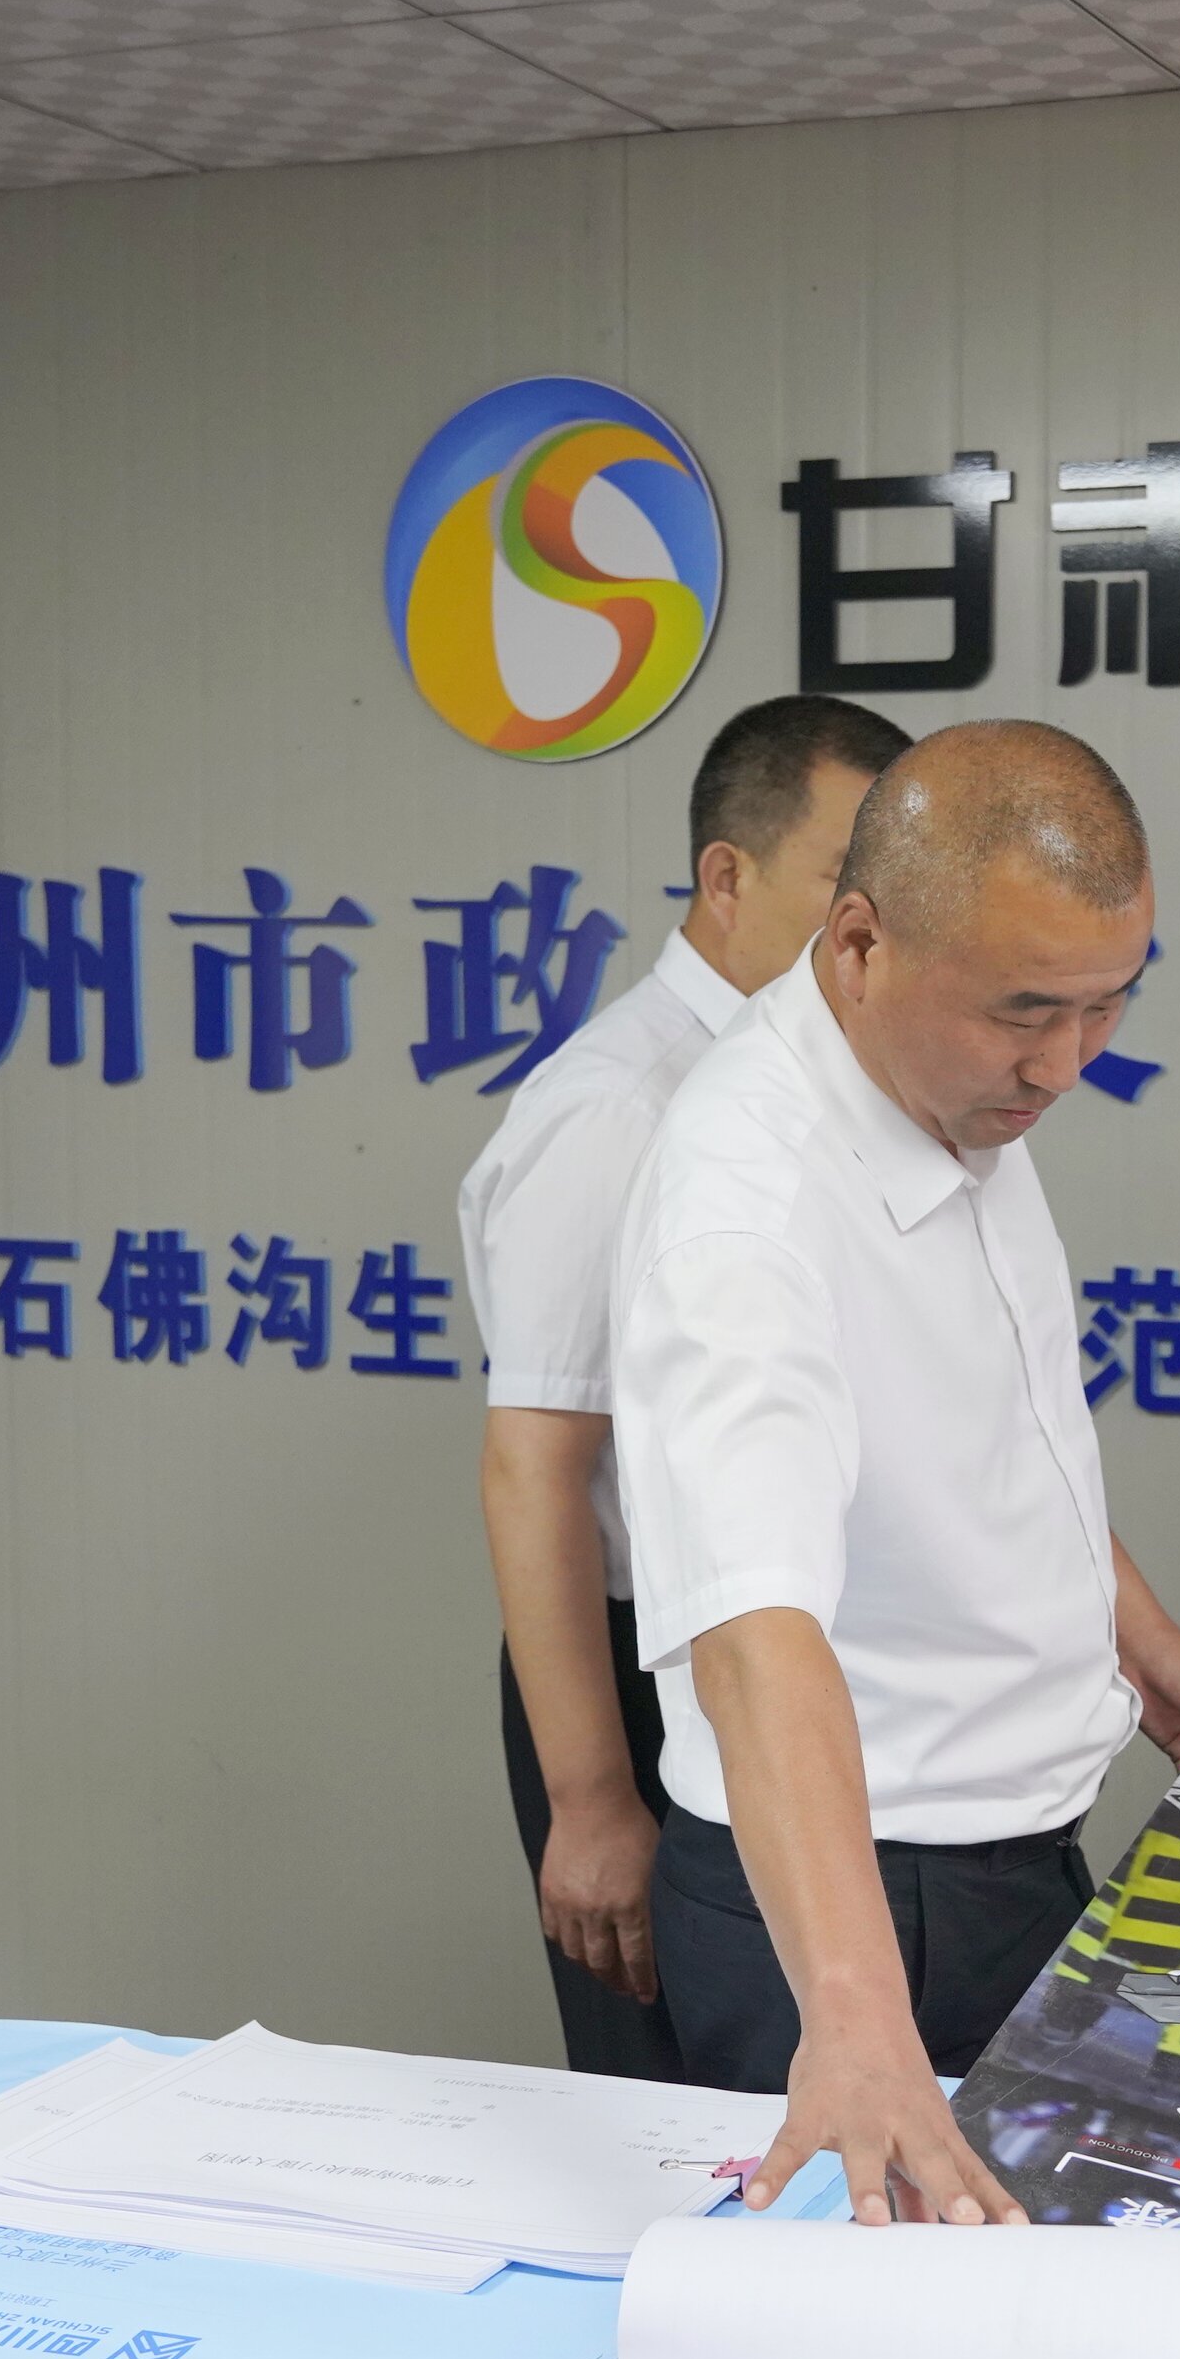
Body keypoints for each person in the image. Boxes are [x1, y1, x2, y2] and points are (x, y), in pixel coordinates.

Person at [611, 720, 1180, 2218]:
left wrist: (1135, 1634)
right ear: (858, 942)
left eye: (1106, 1007)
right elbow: (751, 1634)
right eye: (1027, 1012)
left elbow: (994, 1424)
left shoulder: (944, 1079)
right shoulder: (746, 1209)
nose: (1066, 1064)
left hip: (1008, 1855)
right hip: (854, 1906)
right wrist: (852, 2014)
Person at [457, 693, 908, 2078]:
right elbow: (536, 1469)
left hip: (792, 1656)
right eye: (844, 881)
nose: (875, 926)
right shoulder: (621, 1103)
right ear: (728, 875)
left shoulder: (830, 1086)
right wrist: (593, 1798)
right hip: (640, 1671)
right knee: (680, 2111)